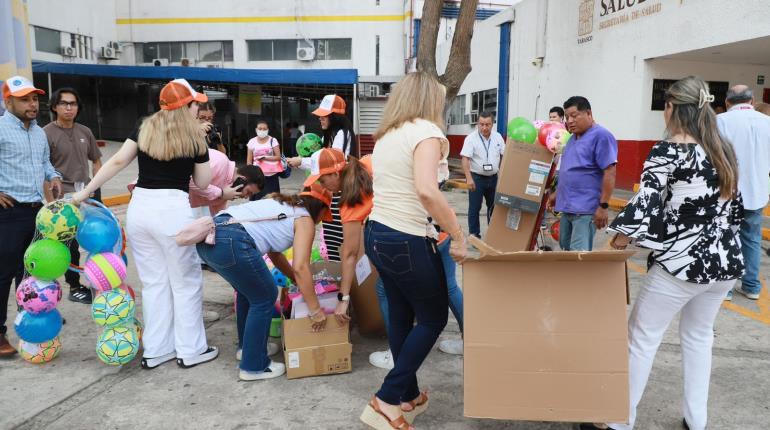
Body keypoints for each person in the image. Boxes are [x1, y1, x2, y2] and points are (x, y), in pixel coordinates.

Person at [587, 77, 744, 430]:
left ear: (672, 108)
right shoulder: (723, 149)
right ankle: (696, 421)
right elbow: (735, 209)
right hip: (724, 262)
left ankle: (619, 422)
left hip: (682, 264)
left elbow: (646, 202)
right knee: (699, 337)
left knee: (641, 337)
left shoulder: (669, 150)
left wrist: (619, 240)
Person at [72, 78, 218, 370]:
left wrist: (85, 193)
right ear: (187, 105)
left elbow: (116, 163)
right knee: (185, 282)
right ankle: (190, 349)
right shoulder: (195, 136)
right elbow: (203, 183)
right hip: (173, 211)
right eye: (194, 104)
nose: (196, 109)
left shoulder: (144, 126)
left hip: (140, 208)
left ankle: (156, 350)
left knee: (154, 283)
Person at [359, 71, 466, 430]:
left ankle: (408, 394)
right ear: (429, 100)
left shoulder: (388, 135)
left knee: (402, 316)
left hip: (377, 234)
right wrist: (456, 231)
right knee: (434, 318)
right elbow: (426, 190)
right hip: (405, 237)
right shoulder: (428, 133)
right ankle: (388, 399)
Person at [197, 184, 333, 381]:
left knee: (248, 293)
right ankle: (254, 366)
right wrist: (316, 310)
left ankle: (248, 349)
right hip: (232, 241)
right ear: (320, 208)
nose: (321, 221)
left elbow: (275, 255)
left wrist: (295, 280)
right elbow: (302, 267)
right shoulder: (304, 219)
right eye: (323, 216)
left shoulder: (280, 205)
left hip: (210, 240)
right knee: (265, 297)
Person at [0, 76, 62, 358]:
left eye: (34, 98)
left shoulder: (38, 133)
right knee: (3, 274)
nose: (32, 104)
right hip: (7, 212)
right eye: (24, 99)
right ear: (8, 101)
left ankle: (29, 318)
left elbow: (45, 162)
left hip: (36, 211)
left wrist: (54, 177)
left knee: (30, 272)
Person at [43, 87, 103, 304]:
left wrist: (96, 184)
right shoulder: (46, 133)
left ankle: (100, 279)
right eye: (64, 103)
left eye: (73, 103)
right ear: (54, 107)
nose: (69, 107)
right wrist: (51, 204)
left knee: (98, 239)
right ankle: (75, 286)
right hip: (63, 198)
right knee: (70, 245)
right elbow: (44, 169)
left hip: (88, 194)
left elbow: (96, 160)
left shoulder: (85, 131)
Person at [717, 85, 770, 301]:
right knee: (752, 238)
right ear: (751, 100)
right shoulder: (767, 122)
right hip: (758, 191)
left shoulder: (720, 121)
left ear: (728, 102)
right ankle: (751, 286)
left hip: (727, 190)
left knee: (726, 237)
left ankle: (726, 288)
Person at [289, 94, 356, 263]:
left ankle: (341, 272)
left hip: (339, 192)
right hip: (332, 191)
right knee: (331, 234)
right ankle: (336, 269)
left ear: (335, 116)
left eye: (324, 115)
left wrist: (301, 161)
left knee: (337, 235)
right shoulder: (332, 135)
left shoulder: (342, 134)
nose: (320, 118)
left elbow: (331, 163)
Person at [547, 96, 617, 251]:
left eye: (574, 115)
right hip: (568, 209)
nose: (570, 121)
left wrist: (603, 206)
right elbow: (571, 172)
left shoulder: (601, 136)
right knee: (565, 247)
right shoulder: (572, 139)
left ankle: (580, 276)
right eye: (567, 117)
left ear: (589, 114)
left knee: (579, 255)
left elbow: (610, 172)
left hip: (585, 211)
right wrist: (556, 195)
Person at [460, 111, 505, 238]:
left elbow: (504, 155)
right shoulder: (471, 138)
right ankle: (474, 235)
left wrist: (502, 174)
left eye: (487, 124)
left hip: (493, 178)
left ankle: (493, 235)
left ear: (492, 124)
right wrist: (468, 178)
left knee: (494, 208)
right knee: (474, 208)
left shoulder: (498, 137)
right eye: (481, 124)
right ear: (478, 124)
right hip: (477, 178)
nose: (484, 128)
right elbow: (465, 159)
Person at [189, 150, 265, 215]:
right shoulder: (220, 162)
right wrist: (220, 193)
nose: (246, 197)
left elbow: (217, 214)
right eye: (248, 192)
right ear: (242, 180)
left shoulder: (228, 189)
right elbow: (189, 180)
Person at [246, 120, 283, 200]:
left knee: (272, 199)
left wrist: (265, 158)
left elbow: (278, 157)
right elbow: (249, 161)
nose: (262, 130)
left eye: (264, 129)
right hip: (258, 176)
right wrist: (250, 174)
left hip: (271, 175)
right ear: (256, 130)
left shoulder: (273, 140)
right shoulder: (252, 142)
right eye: (260, 128)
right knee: (258, 199)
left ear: (268, 130)